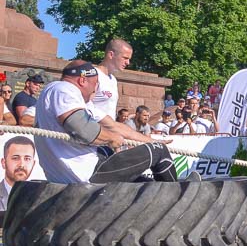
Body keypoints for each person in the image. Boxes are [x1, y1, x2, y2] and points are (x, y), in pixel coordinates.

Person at [34, 60, 179, 184]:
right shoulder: (62, 88)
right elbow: (81, 128)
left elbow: (114, 126)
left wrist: (148, 139)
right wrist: (111, 138)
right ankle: (179, 195)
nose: (95, 90)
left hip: (83, 170)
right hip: (84, 173)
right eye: (95, 84)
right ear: (82, 80)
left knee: (135, 168)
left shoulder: (79, 101)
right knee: (158, 151)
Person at [92, 39, 132, 120]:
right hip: (93, 129)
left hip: (108, 129)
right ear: (111, 55)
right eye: (125, 58)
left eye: (129, 59)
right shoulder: (93, 75)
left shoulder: (113, 80)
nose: (128, 63)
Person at [0, 136, 36, 211]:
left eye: (27, 159)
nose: (21, 164)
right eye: (15, 158)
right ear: (3, 163)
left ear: (33, 163)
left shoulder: (40, 197)